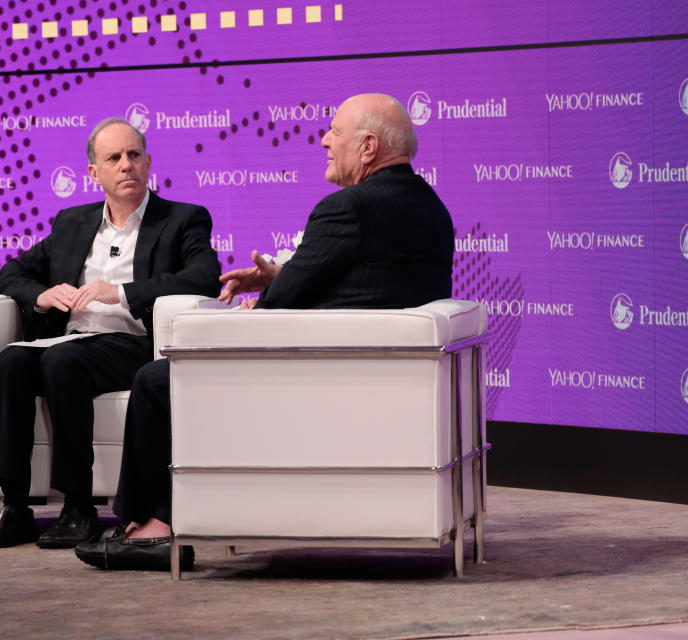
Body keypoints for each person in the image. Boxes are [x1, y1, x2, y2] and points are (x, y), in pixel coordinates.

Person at [74, 93, 454, 570]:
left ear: (369, 147)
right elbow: (367, 284)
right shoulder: (430, 206)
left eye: (334, 131)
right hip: (373, 376)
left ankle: (153, 528)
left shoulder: (347, 208)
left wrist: (259, 302)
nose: (324, 140)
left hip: (314, 379)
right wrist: (282, 277)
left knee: (156, 379)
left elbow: (279, 308)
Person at [0, 118, 221, 549]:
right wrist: (43, 295)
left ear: (148, 163)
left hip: (132, 343)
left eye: (134, 155)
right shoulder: (73, 222)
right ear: (94, 173)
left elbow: (204, 277)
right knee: (10, 362)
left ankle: (78, 507)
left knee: (61, 362)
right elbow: (10, 272)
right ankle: (15, 506)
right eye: (114, 158)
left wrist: (121, 292)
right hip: (71, 339)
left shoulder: (181, 219)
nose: (127, 165)